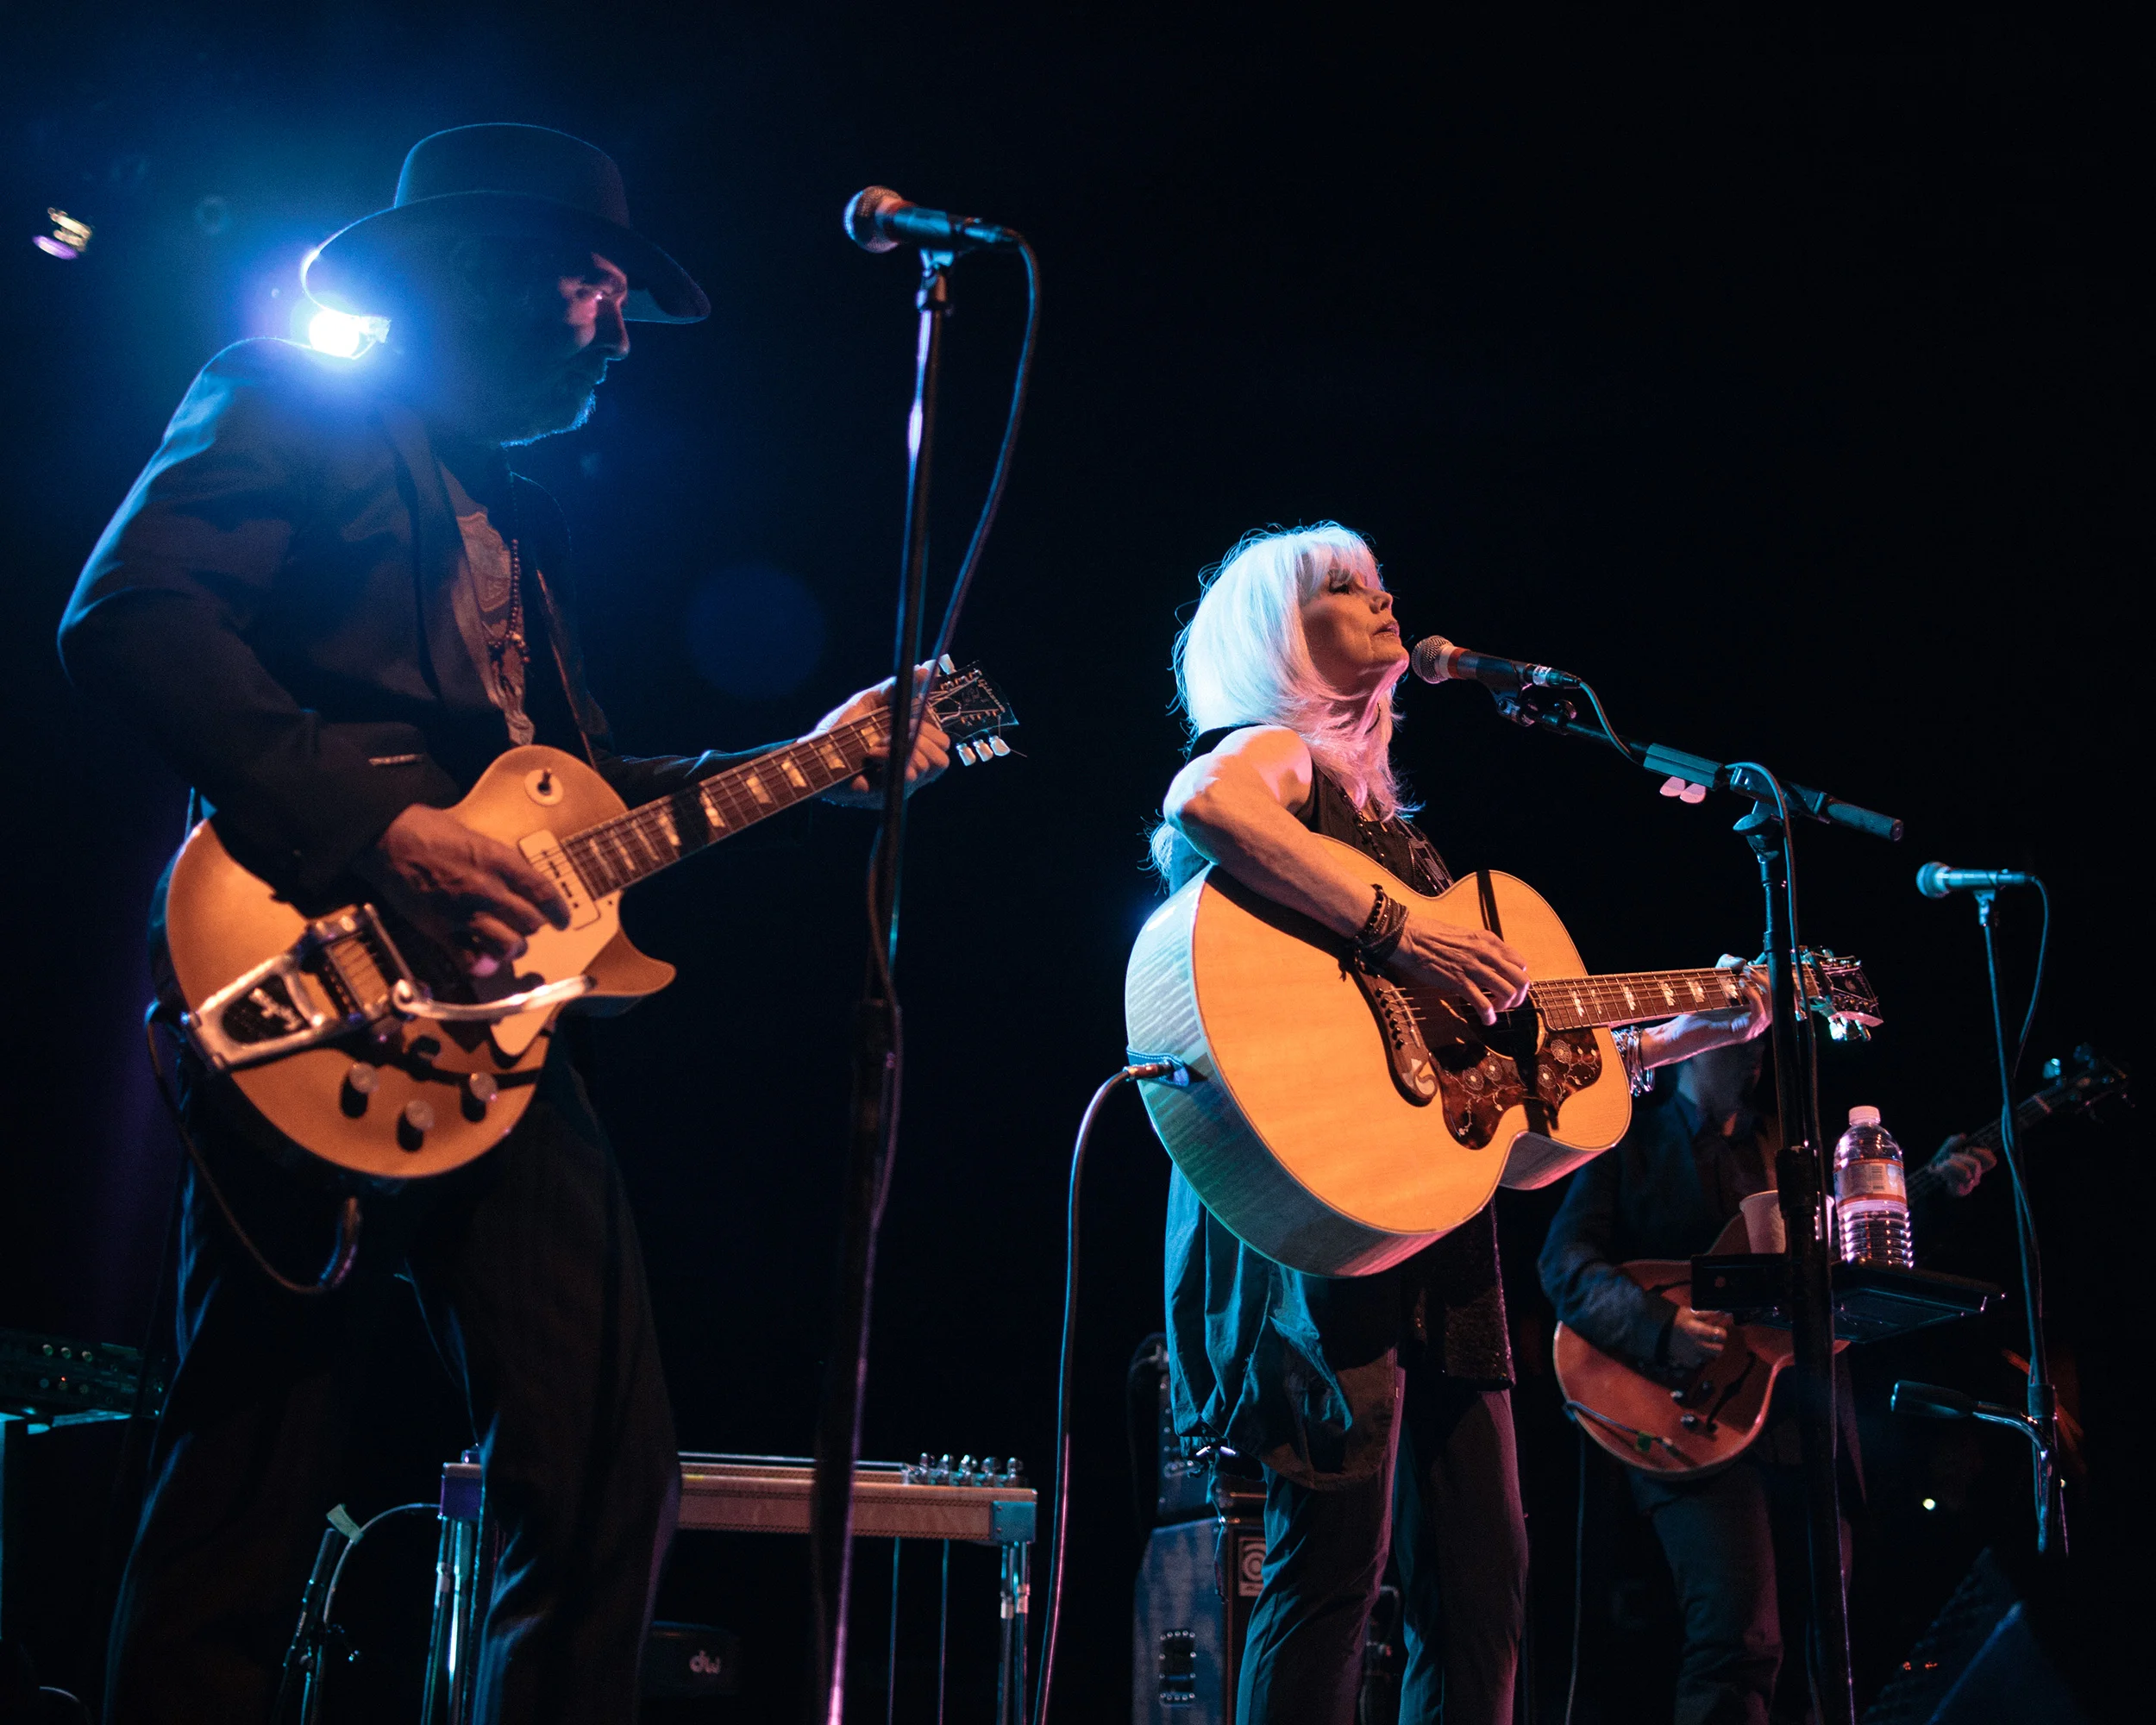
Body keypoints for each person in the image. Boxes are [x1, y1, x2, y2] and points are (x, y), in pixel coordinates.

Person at [58, 125, 948, 1725]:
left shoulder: (523, 520)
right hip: (302, 990)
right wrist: (378, 831)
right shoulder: (288, 398)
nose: (619, 325)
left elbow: (580, 802)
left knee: (609, 1466)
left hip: (497, 1049)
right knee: (246, 1484)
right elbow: (128, 617)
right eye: (593, 279)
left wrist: (809, 765)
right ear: (468, 270)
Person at [1151, 524, 1767, 1725]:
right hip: (1315, 1209)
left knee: (1484, 1584)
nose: (1384, 606)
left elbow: (1520, 1076)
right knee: (1332, 1567)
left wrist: (1692, 1027)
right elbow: (1201, 796)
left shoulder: (1407, 843)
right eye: (1344, 589)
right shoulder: (1279, 759)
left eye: (1385, 588)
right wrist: (1399, 933)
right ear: (1273, 635)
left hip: (1436, 1228)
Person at [1537, 1038, 1988, 1725]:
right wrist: (1661, 1325)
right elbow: (1563, 1265)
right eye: (1734, 1038)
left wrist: (1922, 1193)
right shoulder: (1629, 1143)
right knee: (1739, 1641)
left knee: (1823, 1648)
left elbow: (1845, 1258)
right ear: (1690, 1048)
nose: (1753, 1058)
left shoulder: (1788, 1146)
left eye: (1758, 1042)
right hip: (1687, 1419)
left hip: (1802, 1418)